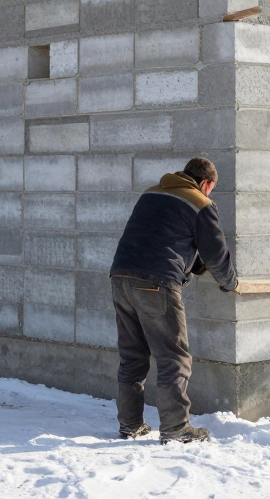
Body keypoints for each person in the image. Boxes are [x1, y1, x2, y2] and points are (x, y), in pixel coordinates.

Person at [108, 157, 238, 443]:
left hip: (120, 278)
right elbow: (216, 255)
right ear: (206, 183)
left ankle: (130, 425)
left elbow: (164, 236)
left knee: (132, 356)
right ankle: (176, 428)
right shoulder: (200, 203)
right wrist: (230, 283)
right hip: (156, 283)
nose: (210, 194)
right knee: (174, 358)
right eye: (212, 189)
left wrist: (191, 264)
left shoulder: (151, 192)